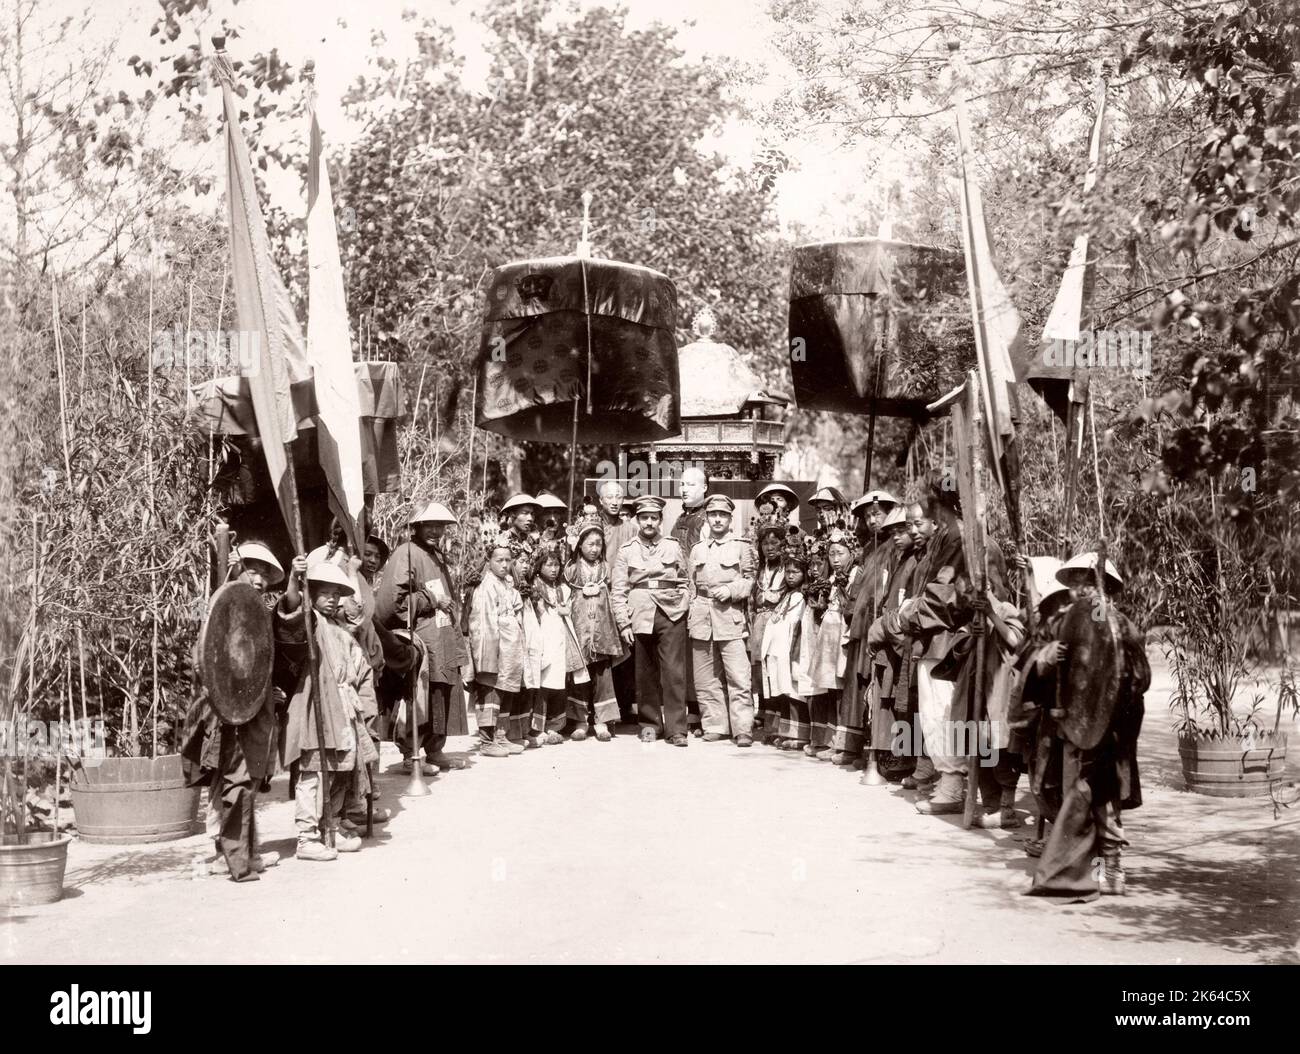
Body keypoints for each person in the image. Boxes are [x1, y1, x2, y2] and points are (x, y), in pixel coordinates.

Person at [1027, 551, 1148, 900]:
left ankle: (1111, 866)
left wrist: (1112, 694)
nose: (1080, 589)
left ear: (1104, 585)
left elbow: (1140, 677)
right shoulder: (1064, 622)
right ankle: (1085, 866)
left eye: (1086, 581)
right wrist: (1047, 659)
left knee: (1104, 797)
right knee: (1071, 795)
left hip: (1109, 728)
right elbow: (1034, 659)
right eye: (1076, 582)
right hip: (1070, 725)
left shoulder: (1121, 626)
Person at [182, 541, 300, 881]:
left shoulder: (260, 614)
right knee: (233, 782)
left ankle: (242, 852)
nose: (260, 579)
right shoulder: (221, 608)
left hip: (253, 711)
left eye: (265, 573)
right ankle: (231, 857)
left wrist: (265, 692)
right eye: (253, 570)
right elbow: (204, 659)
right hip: (224, 714)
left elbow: (264, 655)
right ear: (237, 568)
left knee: (245, 782)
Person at [282, 561, 379, 862]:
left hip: (343, 706)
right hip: (316, 704)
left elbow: (358, 619)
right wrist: (295, 582)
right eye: (324, 593)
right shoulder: (309, 621)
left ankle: (331, 826)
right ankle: (307, 836)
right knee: (313, 771)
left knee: (341, 770)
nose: (332, 599)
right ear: (312, 594)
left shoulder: (339, 628)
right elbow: (291, 613)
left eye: (336, 594)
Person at [374, 502, 470, 775]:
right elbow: (392, 602)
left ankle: (435, 750)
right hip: (421, 637)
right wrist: (431, 599)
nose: (436, 531)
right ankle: (410, 753)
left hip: (441, 635)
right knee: (420, 694)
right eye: (430, 525)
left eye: (440, 526)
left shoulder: (435, 554)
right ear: (416, 526)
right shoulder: (406, 552)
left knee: (441, 693)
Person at [611, 495, 690, 746]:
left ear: (660, 520)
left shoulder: (673, 546)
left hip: (671, 611)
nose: (649, 522)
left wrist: (684, 603)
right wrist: (623, 623)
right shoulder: (626, 550)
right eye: (644, 517)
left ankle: (677, 729)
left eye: (653, 518)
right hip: (640, 613)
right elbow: (619, 590)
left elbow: (687, 580)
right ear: (637, 520)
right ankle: (650, 725)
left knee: (674, 672)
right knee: (645, 673)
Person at [686, 494, 758, 746]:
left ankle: (742, 729)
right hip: (701, 617)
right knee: (705, 678)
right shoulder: (697, 550)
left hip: (730, 617)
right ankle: (715, 724)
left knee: (738, 676)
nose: (717, 519)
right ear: (706, 518)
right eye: (713, 515)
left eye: (722, 515)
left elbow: (751, 580)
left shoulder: (742, 546)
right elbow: (689, 585)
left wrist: (732, 590)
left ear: (730, 519)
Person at [467, 539, 527, 757]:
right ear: (489, 561)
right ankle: (486, 740)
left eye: (508, 560)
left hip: (511, 646)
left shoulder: (508, 584)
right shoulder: (486, 587)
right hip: (495, 644)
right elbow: (482, 622)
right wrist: (486, 655)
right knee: (491, 691)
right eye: (499, 560)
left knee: (507, 689)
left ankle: (501, 735)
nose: (504, 564)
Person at [564, 524, 624, 741]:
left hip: (601, 631)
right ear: (579, 545)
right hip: (580, 630)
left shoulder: (607, 569)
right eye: (589, 543)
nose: (594, 548)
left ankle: (602, 721)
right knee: (580, 677)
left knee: (602, 676)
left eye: (598, 544)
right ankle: (581, 720)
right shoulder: (571, 570)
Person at [524, 543, 587, 746]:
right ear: (539, 566)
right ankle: (537, 728)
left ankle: (555, 726)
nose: (554, 569)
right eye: (548, 565)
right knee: (542, 684)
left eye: (556, 565)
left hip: (561, 639)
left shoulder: (563, 589)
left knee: (560, 684)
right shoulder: (534, 588)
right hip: (543, 639)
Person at [806, 532, 859, 761]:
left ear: (851, 554)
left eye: (840, 553)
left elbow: (852, 604)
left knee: (842, 686)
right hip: (829, 632)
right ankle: (831, 740)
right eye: (832, 554)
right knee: (830, 687)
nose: (835, 559)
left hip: (843, 631)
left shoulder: (855, 574)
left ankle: (845, 743)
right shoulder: (833, 577)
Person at [763, 545, 817, 751]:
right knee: (784, 691)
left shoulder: (803, 597)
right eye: (788, 571)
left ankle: (800, 734)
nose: (790, 576)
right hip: (779, 650)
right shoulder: (787, 596)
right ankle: (786, 732)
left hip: (794, 650)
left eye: (796, 572)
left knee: (796, 692)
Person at [597, 480, 638, 724]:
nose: (614, 501)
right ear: (601, 500)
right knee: (602, 654)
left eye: (618, 497)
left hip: (624, 594)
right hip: (600, 593)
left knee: (626, 652)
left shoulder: (630, 528)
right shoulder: (593, 525)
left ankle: (625, 705)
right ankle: (601, 709)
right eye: (609, 497)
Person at [751, 524, 788, 744]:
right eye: (765, 543)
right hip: (759, 623)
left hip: (778, 623)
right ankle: (764, 716)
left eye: (774, 543)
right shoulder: (760, 570)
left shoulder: (786, 570)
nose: (769, 548)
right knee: (759, 671)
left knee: (775, 670)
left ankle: (779, 722)